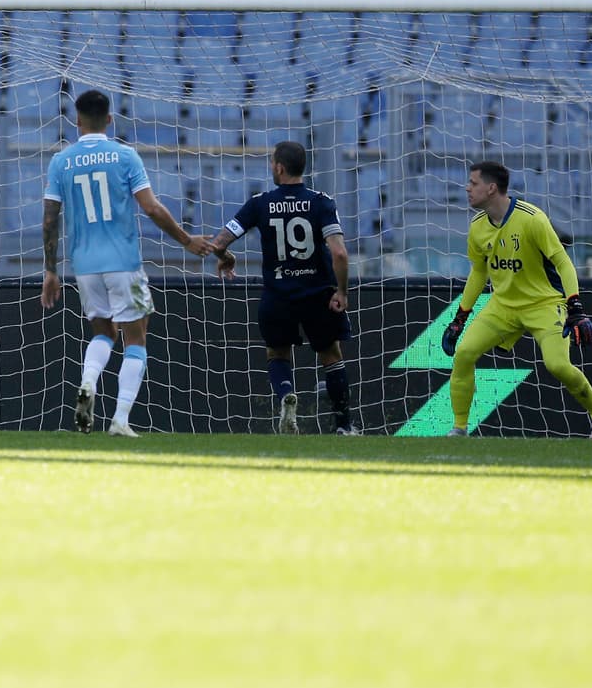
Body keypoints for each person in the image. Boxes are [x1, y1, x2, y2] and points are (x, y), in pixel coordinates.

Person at [41, 89, 211, 437]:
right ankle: (120, 419)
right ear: (109, 119)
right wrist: (186, 240)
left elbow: (49, 219)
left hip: (84, 265)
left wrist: (50, 269)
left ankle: (88, 381)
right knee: (136, 337)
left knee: (103, 332)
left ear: (76, 121)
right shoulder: (124, 156)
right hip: (123, 261)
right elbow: (151, 208)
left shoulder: (61, 161)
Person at [439, 161, 592, 439]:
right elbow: (479, 272)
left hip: (544, 304)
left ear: (491, 188)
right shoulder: (478, 226)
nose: (467, 188)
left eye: (473, 183)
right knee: (464, 354)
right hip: (503, 305)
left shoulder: (532, 219)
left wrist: (575, 306)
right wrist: (460, 317)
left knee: (557, 365)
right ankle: (459, 428)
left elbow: (563, 263)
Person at [205, 141, 360, 436]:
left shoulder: (260, 202)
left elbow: (220, 242)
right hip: (317, 295)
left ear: (279, 167)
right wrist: (342, 291)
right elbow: (340, 253)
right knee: (331, 355)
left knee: (277, 354)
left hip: (277, 297)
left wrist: (226, 258)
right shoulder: (321, 201)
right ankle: (344, 425)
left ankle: (286, 397)